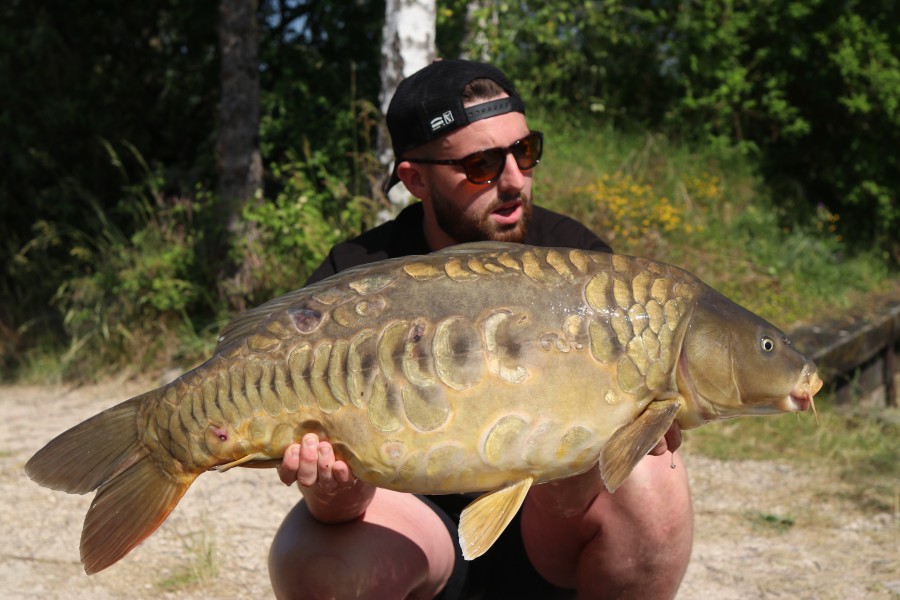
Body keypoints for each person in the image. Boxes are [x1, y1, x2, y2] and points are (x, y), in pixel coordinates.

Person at [267, 59, 693, 600]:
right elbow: (341, 507)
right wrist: (334, 491)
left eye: (526, 152)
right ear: (415, 179)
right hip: (419, 529)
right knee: (311, 557)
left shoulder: (580, 262)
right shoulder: (354, 278)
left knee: (657, 483)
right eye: (482, 165)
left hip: (552, 528)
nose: (515, 180)